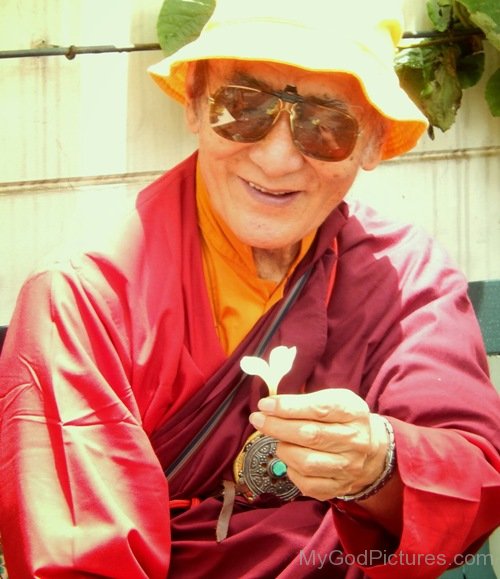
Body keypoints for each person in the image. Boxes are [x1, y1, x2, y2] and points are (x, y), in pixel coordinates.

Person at [0, 0, 499, 577]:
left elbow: (471, 481)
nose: (277, 158)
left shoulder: (404, 275)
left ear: (372, 143)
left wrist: (380, 463)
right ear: (193, 103)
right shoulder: (84, 298)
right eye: (243, 106)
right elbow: (78, 560)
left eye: (326, 124)